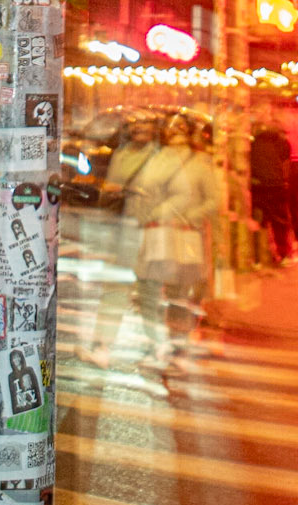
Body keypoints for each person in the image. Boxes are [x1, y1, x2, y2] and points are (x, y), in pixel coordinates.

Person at [132, 111, 218, 368]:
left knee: (180, 292)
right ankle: (157, 343)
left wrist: (191, 216)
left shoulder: (200, 163)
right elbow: (143, 192)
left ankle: (177, 342)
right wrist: (146, 214)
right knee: (149, 290)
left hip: (185, 235)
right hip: (157, 233)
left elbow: (214, 200)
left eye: (180, 128)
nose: (175, 132)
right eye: (171, 128)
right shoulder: (157, 160)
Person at [80, 110, 161, 366]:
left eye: (146, 124)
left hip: (150, 231)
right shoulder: (121, 154)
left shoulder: (162, 157)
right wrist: (113, 194)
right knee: (115, 286)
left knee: (149, 292)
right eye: (135, 125)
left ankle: (158, 347)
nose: (140, 129)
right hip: (123, 229)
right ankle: (102, 346)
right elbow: (109, 190)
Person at [249, 114, 295, 265]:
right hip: (276, 185)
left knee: (259, 222)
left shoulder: (253, 143)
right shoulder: (282, 142)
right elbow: (286, 162)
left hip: (258, 186)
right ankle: (284, 255)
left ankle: (258, 258)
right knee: (280, 222)